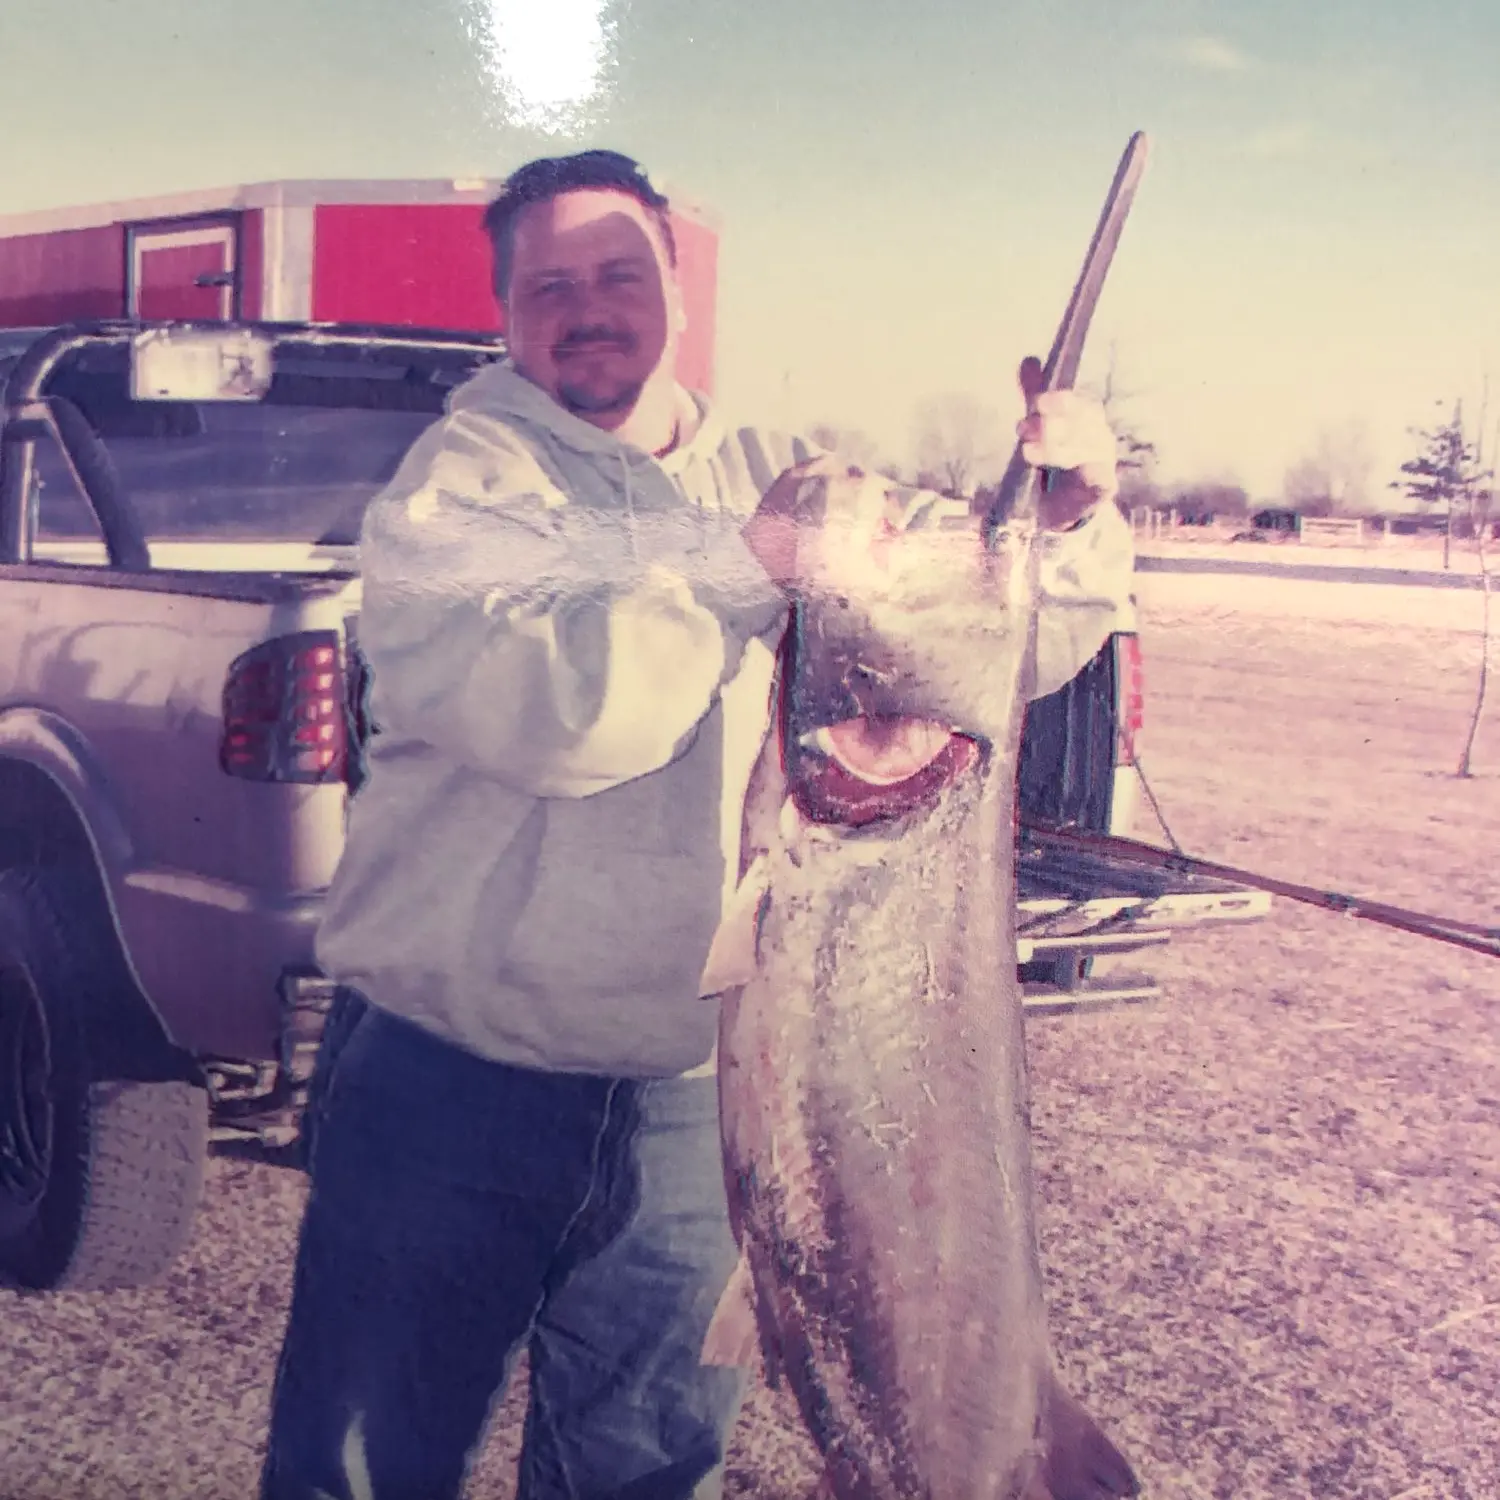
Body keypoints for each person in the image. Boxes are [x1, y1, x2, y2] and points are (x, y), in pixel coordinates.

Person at [259, 148, 1134, 1500]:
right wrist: (742, 568)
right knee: (362, 1470)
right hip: (450, 1089)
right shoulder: (453, 491)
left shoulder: (787, 471)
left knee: (642, 1477)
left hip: (692, 1104)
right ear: (505, 312)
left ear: (676, 287)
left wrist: (1063, 525)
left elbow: (982, 653)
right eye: (550, 284)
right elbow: (566, 724)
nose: (589, 305)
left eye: (621, 273)